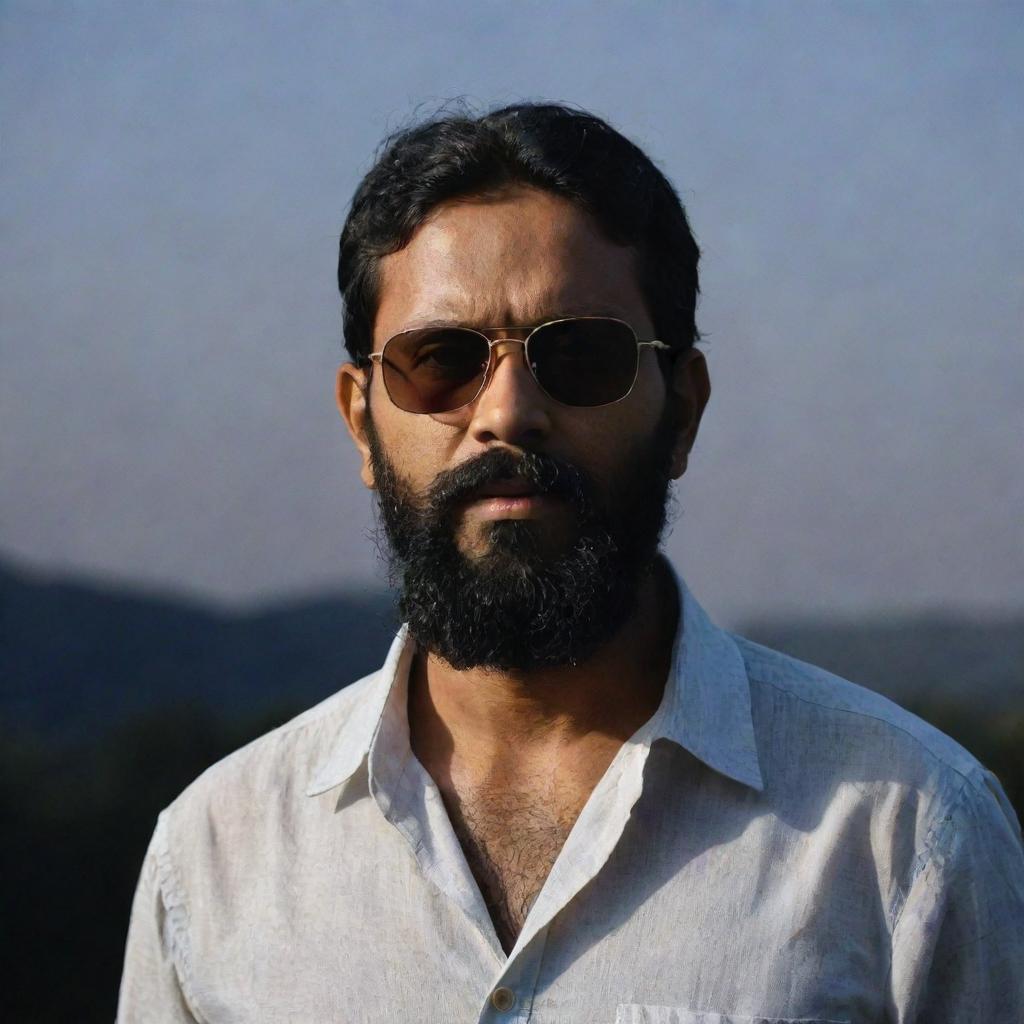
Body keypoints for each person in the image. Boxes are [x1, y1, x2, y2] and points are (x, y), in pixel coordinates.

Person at [116, 103, 1024, 1023]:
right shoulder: (215, 855)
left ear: (683, 412)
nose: (506, 412)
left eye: (582, 356)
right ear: (361, 421)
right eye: (440, 360)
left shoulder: (906, 834)